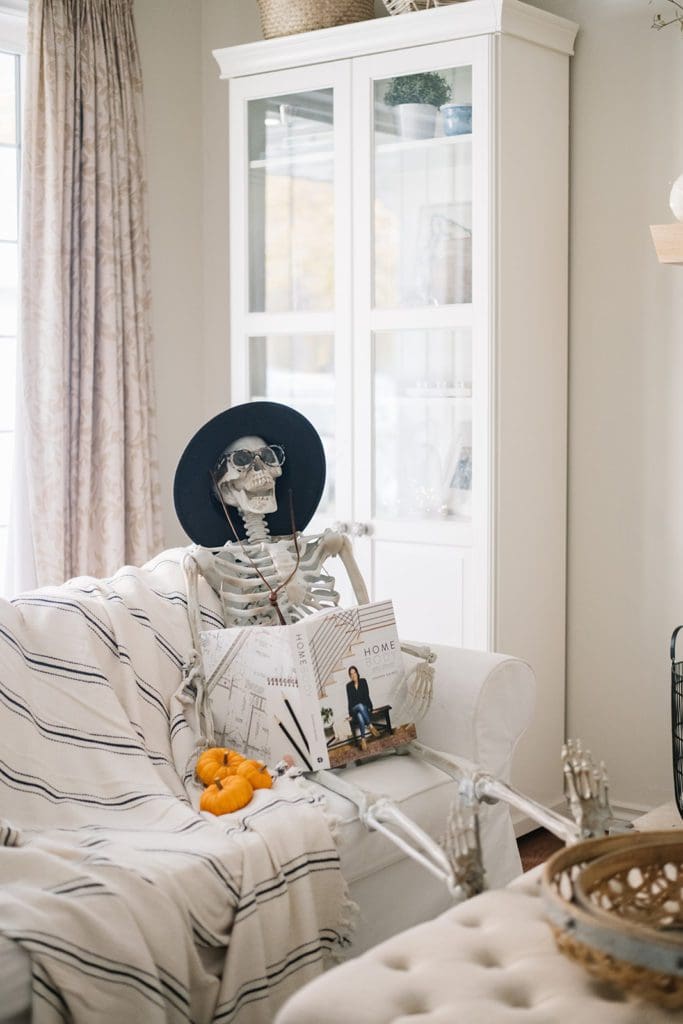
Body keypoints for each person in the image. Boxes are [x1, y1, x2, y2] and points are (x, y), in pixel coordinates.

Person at [346, 666, 380, 751]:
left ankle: (363, 739)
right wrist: (350, 714)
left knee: (360, 715)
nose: (353, 675)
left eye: (354, 673)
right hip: (354, 709)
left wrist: (370, 707)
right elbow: (350, 701)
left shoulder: (363, 681)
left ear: (357, 673)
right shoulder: (348, 686)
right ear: (350, 676)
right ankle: (370, 726)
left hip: (363, 708)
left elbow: (366, 696)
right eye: (351, 674)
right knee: (359, 707)